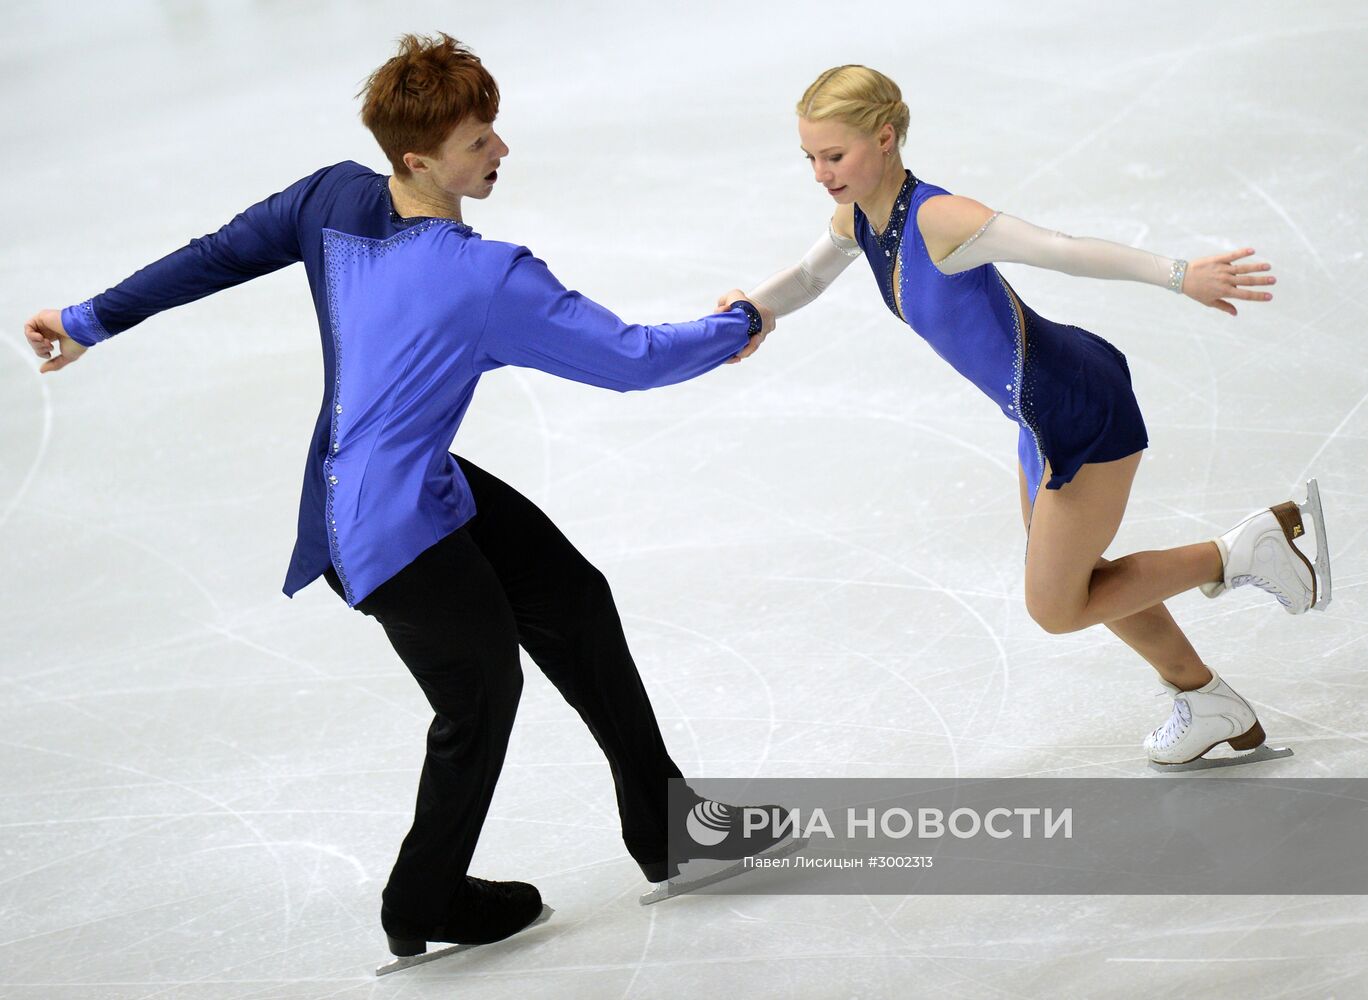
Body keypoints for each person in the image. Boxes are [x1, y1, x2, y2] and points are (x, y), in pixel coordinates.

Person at [23, 34, 778, 959]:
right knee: (481, 692)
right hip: (380, 533)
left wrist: (89, 321)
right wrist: (737, 324)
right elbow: (630, 361)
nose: (499, 151)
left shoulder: (328, 199)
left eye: (493, 129)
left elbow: (217, 255)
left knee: (571, 600)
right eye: (475, 143)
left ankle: (667, 830)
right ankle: (425, 902)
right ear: (416, 159)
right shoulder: (486, 278)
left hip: (413, 485)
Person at [732, 64, 1331, 771]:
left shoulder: (939, 219)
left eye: (834, 155)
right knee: (1081, 580)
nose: (820, 173)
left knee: (1056, 606)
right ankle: (1206, 701)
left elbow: (1061, 250)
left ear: (885, 138)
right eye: (810, 157)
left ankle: (1242, 552)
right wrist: (755, 312)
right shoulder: (861, 219)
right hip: (1036, 413)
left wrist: (1182, 275)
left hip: (1076, 406)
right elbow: (805, 278)